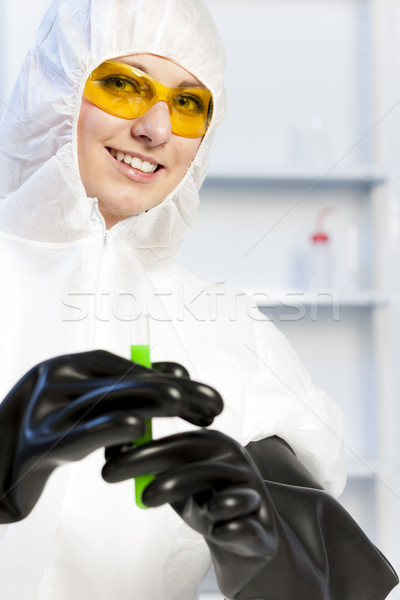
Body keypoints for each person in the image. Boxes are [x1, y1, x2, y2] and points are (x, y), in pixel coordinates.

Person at [0, 0, 397, 598]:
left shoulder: (234, 337)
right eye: (124, 85)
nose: (156, 129)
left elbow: (340, 581)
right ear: (56, 85)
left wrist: (271, 567)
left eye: (187, 103)